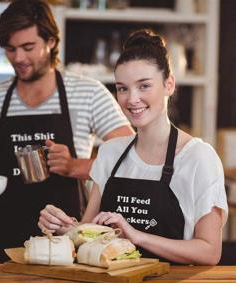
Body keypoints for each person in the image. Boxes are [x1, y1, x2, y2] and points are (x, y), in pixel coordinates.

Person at [0, 0, 133, 263]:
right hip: (4, 240)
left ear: (51, 41)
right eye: (10, 49)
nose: (18, 58)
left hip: (68, 241)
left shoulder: (88, 93)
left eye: (28, 47)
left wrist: (74, 165)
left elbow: (131, 158)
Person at [38, 29, 228, 265]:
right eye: (122, 88)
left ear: (169, 85)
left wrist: (138, 236)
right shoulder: (110, 153)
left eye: (144, 86)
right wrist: (66, 229)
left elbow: (209, 252)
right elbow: (86, 235)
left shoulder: (199, 157)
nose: (131, 99)